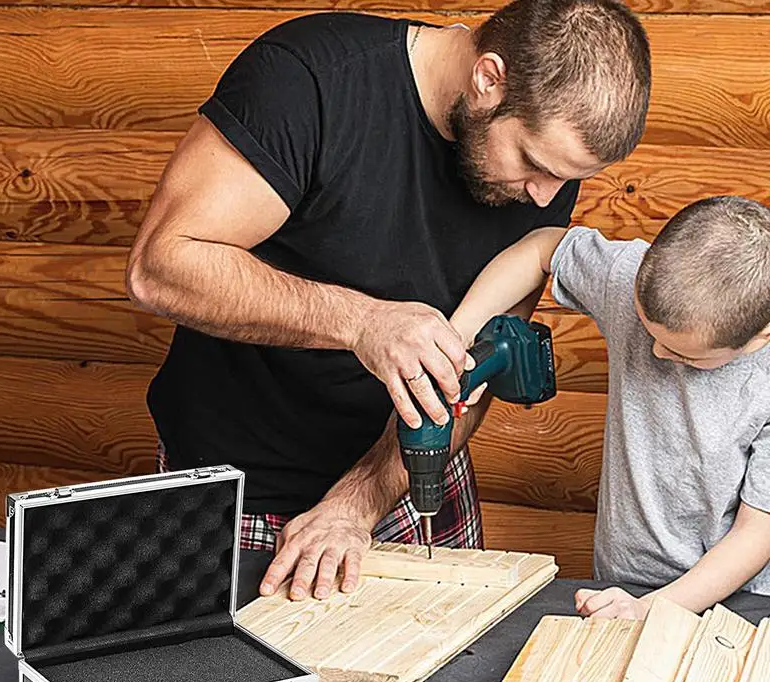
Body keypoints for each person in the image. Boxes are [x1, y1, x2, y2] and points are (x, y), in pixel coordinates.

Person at [125, 0, 651, 601]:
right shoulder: (309, 79)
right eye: (534, 164)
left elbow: (471, 367)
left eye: (565, 179)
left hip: (407, 477)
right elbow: (160, 266)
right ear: (489, 79)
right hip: (237, 481)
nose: (544, 198)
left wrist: (360, 499)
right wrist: (363, 322)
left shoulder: (542, 164)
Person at [450, 196, 770, 618]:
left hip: (733, 605)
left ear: (760, 336)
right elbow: (543, 247)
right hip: (619, 583)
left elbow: (757, 532)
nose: (656, 352)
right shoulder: (627, 278)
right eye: (646, 328)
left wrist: (653, 609)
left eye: (685, 355)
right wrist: (458, 339)